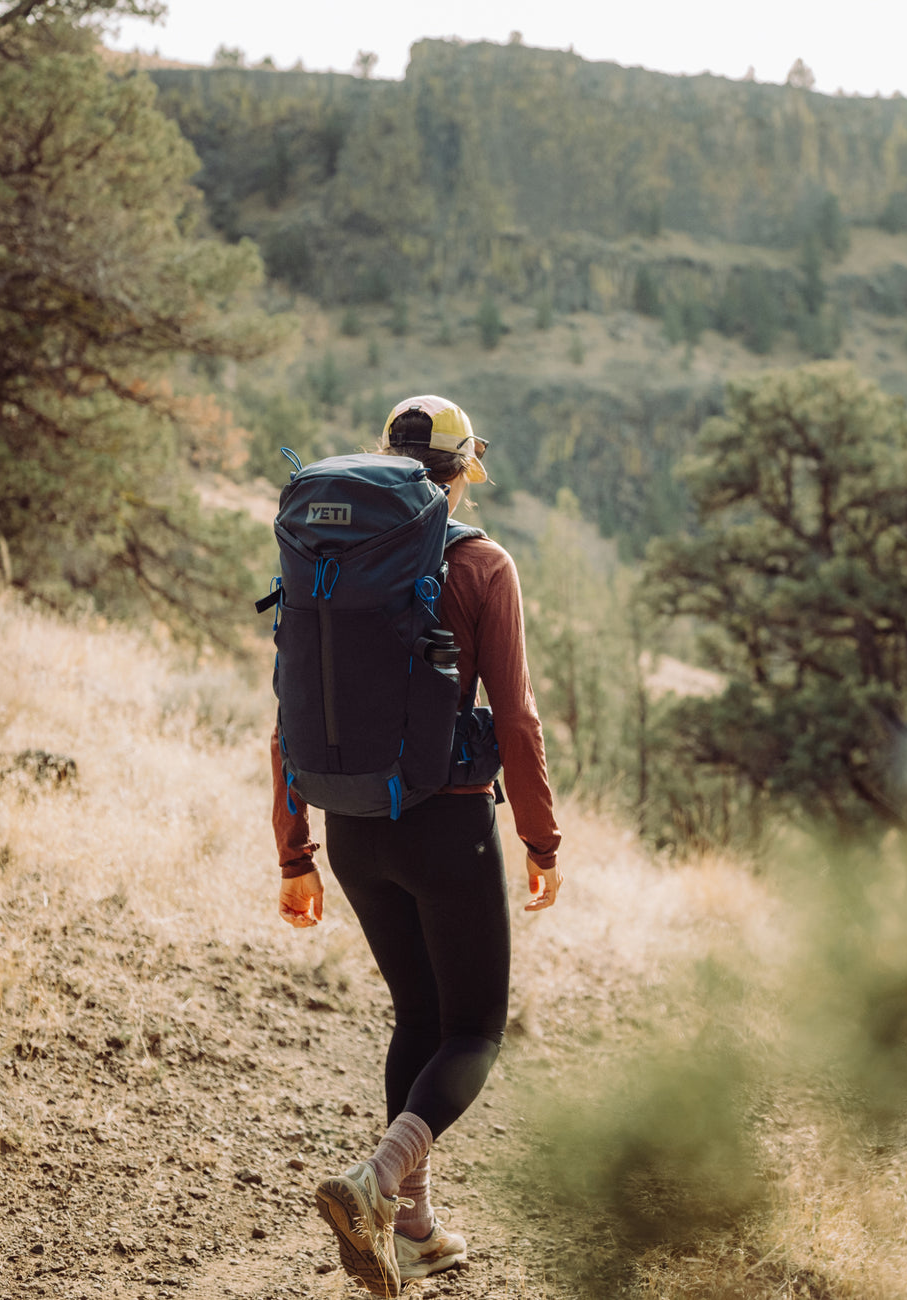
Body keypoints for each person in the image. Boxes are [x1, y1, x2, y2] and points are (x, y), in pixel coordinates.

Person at [271, 394, 563, 1295]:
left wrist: (294, 854)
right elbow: (515, 718)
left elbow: (289, 710)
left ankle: (415, 1228)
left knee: (418, 1018)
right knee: (474, 1030)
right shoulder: (482, 563)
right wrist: (541, 839)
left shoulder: (329, 555)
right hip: (447, 826)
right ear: (463, 469)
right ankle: (377, 1180)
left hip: (352, 828)